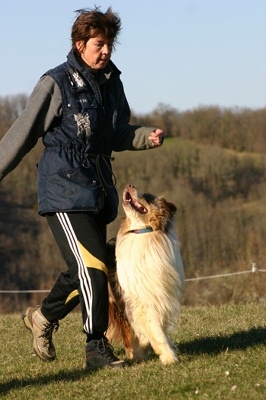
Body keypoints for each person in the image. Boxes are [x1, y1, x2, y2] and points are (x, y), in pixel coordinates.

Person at [0, 7, 164, 370]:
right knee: (92, 268)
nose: (105, 51)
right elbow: (22, 134)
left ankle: (42, 317)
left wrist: (143, 137)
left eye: (109, 44)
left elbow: (116, 132)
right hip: (62, 190)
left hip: (98, 191)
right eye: (99, 44)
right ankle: (96, 349)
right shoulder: (55, 83)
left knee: (93, 267)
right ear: (80, 44)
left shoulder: (111, 83)